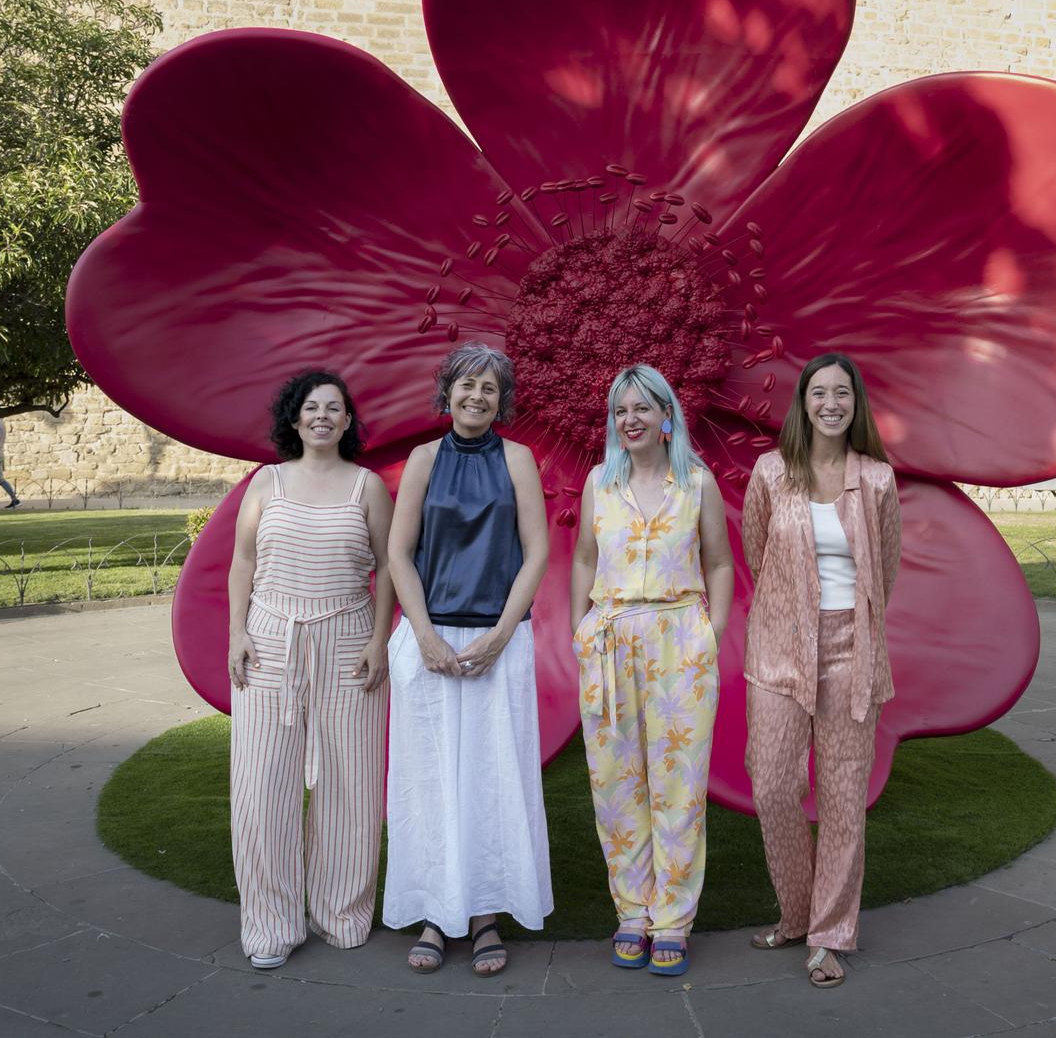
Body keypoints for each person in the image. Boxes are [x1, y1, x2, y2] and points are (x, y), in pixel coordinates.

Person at [383, 343, 552, 977]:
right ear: (447, 390)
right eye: (466, 385)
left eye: (488, 388)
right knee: (429, 783)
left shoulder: (518, 459)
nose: (476, 397)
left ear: (501, 399)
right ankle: (434, 911)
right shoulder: (423, 460)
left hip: (497, 645)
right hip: (428, 644)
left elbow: (536, 554)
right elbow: (400, 554)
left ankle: (484, 915)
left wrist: (502, 634)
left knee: (491, 779)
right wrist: (423, 635)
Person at [741, 352, 901, 989]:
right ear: (802, 403)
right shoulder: (771, 473)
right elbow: (759, 550)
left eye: (842, 393)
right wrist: (792, 610)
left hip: (851, 651)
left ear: (855, 403)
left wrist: (841, 623)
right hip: (780, 646)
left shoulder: (879, 481)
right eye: (818, 393)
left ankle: (829, 935)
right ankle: (797, 913)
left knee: (841, 799)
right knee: (774, 785)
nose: (830, 403)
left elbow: (883, 570)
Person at [224, 370, 394, 968]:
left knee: (350, 783)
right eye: (311, 407)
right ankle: (270, 923)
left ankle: (340, 912)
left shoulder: (368, 487)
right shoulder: (265, 483)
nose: (322, 416)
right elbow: (242, 561)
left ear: (348, 421)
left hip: (349, 641)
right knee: (260, 785)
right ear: (294, 418)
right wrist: (236, 634)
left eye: (335, 408)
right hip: (270, 642)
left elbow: (390, 569)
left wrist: (380, 640)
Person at [568, 365, 734, 977]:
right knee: (616, 784)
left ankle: (672, 919)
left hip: (679, 644)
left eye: (643, 409)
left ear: (667, 417)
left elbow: (719, 562)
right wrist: (579, 632)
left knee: (679, 789)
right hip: (609, 641)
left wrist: (707, 637)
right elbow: (584, 557)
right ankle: (632, 912)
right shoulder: (598, 484)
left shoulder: (696, 483)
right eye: (621, 411)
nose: (630, 420)